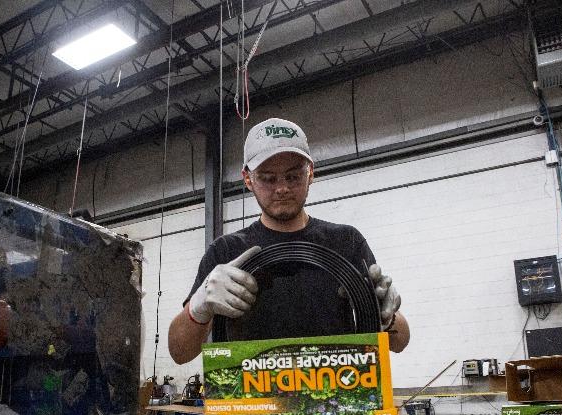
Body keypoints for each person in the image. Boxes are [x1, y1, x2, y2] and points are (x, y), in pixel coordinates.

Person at [168, 118, 410, 364]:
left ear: (311, 173)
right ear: (248, 178)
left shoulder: (346, 242)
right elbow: (180, 353)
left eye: (293, 176)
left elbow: (400, 342)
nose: (282, 188)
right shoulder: (225, 252)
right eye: (268, 178)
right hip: (250, 400)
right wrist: (198, 308)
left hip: (338, 394)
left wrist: (387, 317)